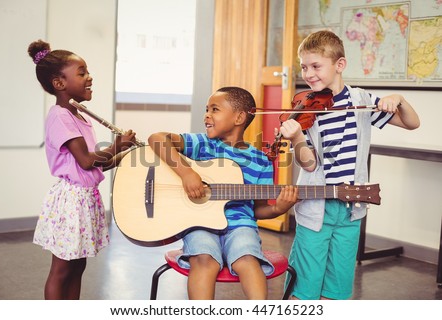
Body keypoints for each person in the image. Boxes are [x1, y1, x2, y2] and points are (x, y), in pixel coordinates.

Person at [279, 30, 420, 300]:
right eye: (304, 67)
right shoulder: (306, 111)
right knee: (304, 286)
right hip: (316, 207)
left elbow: (412, 123)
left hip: (351, 208)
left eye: (316, 66)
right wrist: (297, 136)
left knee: (338, 286)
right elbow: (308, 165)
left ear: (339, 65)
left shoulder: (362, 102)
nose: (308, 74)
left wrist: (399, 99)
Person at [148, 86, 298, 299]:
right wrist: (187, 173)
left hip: (240, 225)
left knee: (247, 258)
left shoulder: (260, 161)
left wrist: (278, 208)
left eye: (215, 109)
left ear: (238, 117)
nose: (207, 115)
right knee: (204, 258)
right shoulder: (203, 144)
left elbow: (259, 209)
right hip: (200, 223)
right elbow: (157, 138)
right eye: (206, 109)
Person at [28, 40, 136, 299]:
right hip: (71, 201)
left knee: (78, 266)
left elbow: (98, 163)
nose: (89, 77)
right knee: (62, 269)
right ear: (59, 83)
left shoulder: (80, 116)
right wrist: (116, 144)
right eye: (82, 72)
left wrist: (126, 153)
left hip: (86, 198)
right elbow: (87, 161)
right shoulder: (60, 116)